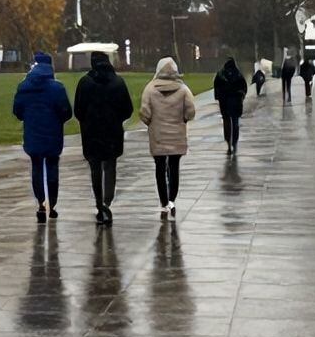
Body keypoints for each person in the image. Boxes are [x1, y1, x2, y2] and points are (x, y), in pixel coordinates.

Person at [74, 51, 133, 226]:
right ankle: (107, 202)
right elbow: (127, 109)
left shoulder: (85, 83)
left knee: (95, 169)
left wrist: (88, 121)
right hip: (112, 131)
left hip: (91, 132)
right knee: (110, 167)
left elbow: (78, 110)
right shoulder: (118, 82)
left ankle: (100, 204)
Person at [13, 51, 73, 223]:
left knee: (36, 168)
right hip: (53, 134)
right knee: (52, 168)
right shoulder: (57, 88)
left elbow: (17, 110)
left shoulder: (24, 87)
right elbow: (66, 112)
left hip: (33, 133)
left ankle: (41, 202)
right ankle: (52, 205)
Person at [141, 57, 196, 217]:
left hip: (157, 135)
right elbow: (190, 112)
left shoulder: (150, 89)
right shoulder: (183, 90)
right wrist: (183, 120)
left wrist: (151, 124)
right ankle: (172, 198)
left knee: (160, 168)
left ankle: (164, 201)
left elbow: (145, 112)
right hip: (177, 134)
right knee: (174, 167)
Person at [213, 58, 247, 156]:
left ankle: (228, 142)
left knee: (226, 122)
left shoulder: (220, 75)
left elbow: (216, 87)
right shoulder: (239, 74)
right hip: (236, 101)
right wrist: (241, 96)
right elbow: (244, 87)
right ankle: (234, 142)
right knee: (235, 122)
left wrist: (218, 97)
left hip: (224, 101)